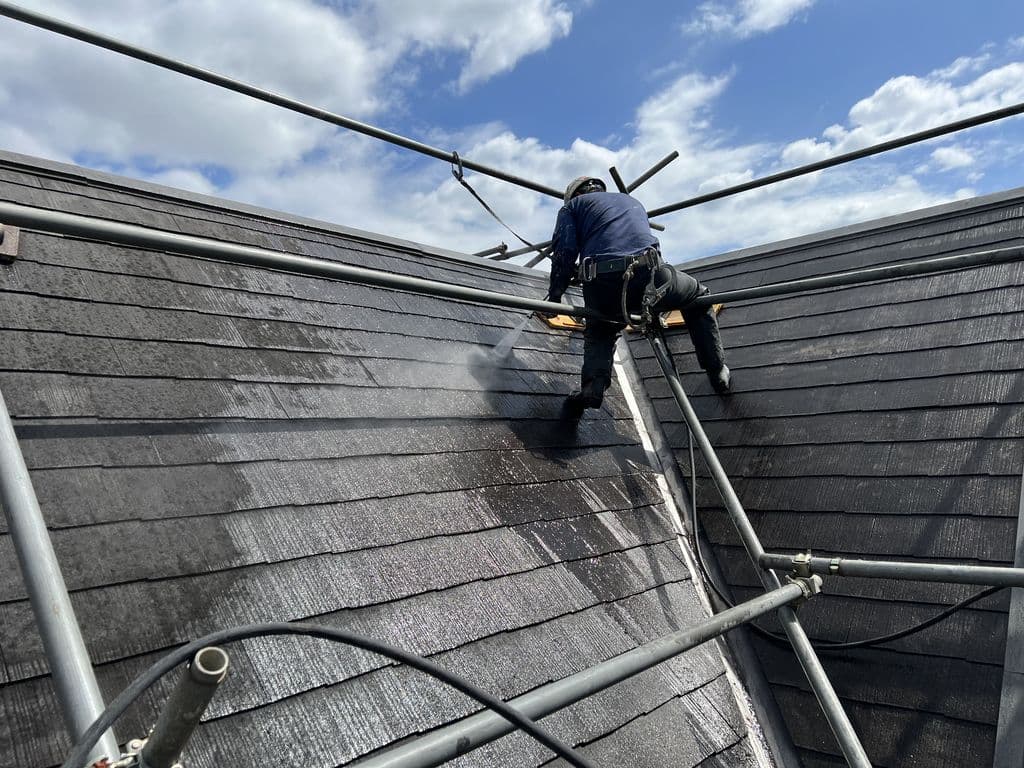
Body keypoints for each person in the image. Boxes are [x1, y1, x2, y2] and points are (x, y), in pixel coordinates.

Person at [547, 176, 731, 416]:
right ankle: (717, 370)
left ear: (575, 195)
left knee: (601, 330)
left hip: (602, 284)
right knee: (698, 297)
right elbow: (629, 241)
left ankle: (592, 388)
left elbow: (565, 252)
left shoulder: (572, 207)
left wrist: (554, 297)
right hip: (650, 276)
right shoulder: (632, 202)